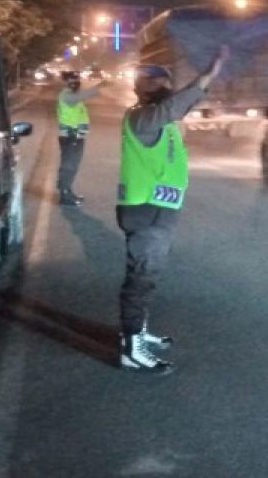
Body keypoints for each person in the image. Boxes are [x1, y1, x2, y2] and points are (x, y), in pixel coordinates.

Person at [117, 46, 228, 375]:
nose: (167, 89)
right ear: (146, 87)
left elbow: (180, 106)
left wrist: (204, 82)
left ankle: (139, 333)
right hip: (146, 211)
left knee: (146, 278)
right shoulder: (142, 118)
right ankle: (131, 350)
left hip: (155, 210)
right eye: (160, 84)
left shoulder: (156, 119)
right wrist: (206, 76)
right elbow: (176, 105)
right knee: (140, 281)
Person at [56, 70, 108, 207]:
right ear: (67, 82)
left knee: (72, 165)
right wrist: (99, 87)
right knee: (69, 166)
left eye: (77, 80)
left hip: (75, 136)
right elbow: (79, 97)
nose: (76, 83)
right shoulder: (67, 96)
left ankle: (68, 191)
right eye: (72, 81)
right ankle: (65, 194)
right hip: (70, 136)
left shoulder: (71, 95)